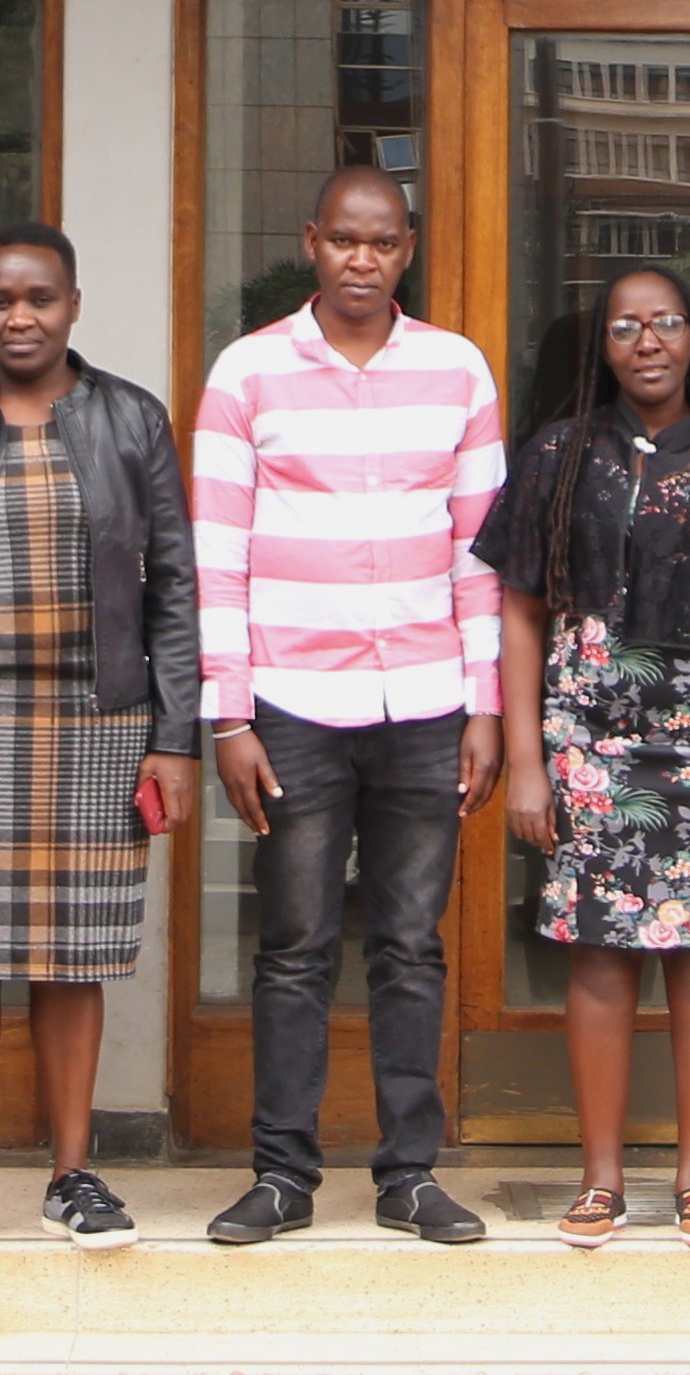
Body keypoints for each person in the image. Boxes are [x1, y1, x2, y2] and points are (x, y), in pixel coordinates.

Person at [475, 264, 690, 1248]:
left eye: (666, 322)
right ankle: (600, 1182)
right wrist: (530, 760)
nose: (649, 341)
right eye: (627, 326)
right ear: (604, 346)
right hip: (590, 741)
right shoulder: (555, 455)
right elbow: (521, 611)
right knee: (600, 958)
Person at [193, 165, 505, 1245]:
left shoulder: (457, 370)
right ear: (310, 241)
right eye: (343, 241)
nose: (361, 261)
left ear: (406, 249)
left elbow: (479, 554)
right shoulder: (248, 373)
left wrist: (486, 702)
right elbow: (215, 556)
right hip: (290, 702)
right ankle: (282, 1174)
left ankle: (409, 1174)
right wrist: (227, 716)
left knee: (411, 945)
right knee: (294, 943)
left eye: (382, 244)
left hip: (424, 699)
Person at [0, 222, 200, 1253]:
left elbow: (175, 586)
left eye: (39, 299)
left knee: (72, 957)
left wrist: (175, 737)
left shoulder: (128, 418)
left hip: (99, 723)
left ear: (73, 304)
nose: (18, 317)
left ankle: (74, 1171)